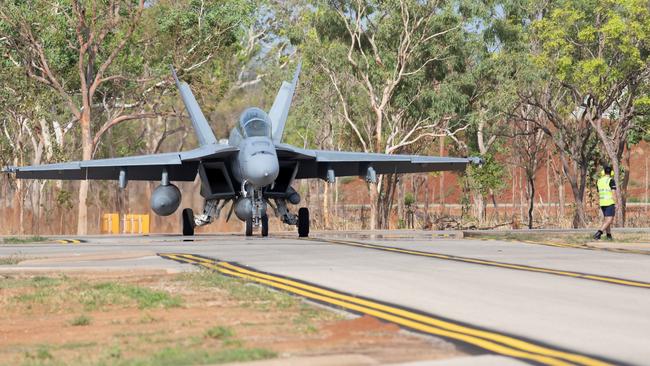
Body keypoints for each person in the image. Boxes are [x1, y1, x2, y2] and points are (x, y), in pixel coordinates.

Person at [594, 166, 616, 240]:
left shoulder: (599, 181)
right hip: (609, 202)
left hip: (602, 203)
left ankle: (609, 236)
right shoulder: (611, 180)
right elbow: (613, 193)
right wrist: (617, 203)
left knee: (607, 220)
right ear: (611, 173)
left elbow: (598, 193)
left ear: (603, 172)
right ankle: (598, 233)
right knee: (609, 220)